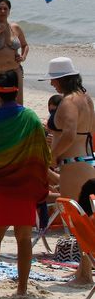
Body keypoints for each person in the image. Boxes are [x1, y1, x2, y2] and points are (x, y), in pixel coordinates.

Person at [0, 70, 52, 299]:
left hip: (0, 189)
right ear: (17, 92)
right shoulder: (31, 118)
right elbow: (42, 155)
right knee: (23, 239)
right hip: (24, 189)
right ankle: (22, 289)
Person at [44, 57, 95, 285]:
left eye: (53, 80)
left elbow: (69, 133)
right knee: (87, 218)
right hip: (88, 160)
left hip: (73, 164)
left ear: (60, 79)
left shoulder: (68, 102)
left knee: (77, 221)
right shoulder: (87, 99)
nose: (52, 84)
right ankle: (83, 271)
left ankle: (83, 274)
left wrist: (53, 156)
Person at [0, 0, 28, 103]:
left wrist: (23, 56)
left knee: (18, 103)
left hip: (15, 71)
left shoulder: (15, 27)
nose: (3, 11)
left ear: (9, 11)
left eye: (5, 9)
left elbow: (25, 45)